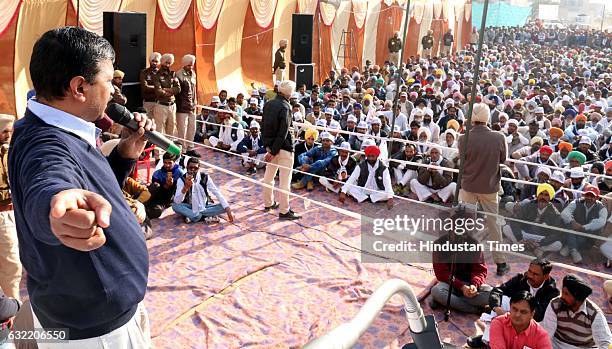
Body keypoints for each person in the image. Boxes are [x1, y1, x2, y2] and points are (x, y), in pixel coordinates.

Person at [9, 27, 151, 346]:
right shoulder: (45, 144)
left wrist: (126, 155)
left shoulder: (53, 125)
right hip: (96, 335)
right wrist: (56, 210)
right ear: (79, 87)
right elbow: (50, 182)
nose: (115, 92)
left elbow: (87, 185)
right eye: (108, 82)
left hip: (97, 318)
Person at [458, 103, 510, 276]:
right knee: (493, 225)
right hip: (489, 187)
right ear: (488, 117)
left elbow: (463, 160)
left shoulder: (462, 138)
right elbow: (503, 159)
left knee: (465, 223)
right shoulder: (498, 137)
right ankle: (500, 262)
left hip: (469, 186)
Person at [467, 258, 559, 348]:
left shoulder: (552, 291)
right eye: (530, 271)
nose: (530, 276)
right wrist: (497, 308)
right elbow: (498, 291)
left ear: (546, 276)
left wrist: (514, 315)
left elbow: (539, 315)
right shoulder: (521, 278)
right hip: (514, 312)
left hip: (533, 321)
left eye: (535, 274)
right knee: (501, 301)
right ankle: (487, 339)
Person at [261, 80, 301, 220]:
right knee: (285, 181)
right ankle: (284, 210)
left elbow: (263, 127)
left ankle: (268, 203)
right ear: (289, 93)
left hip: (271, 146)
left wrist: (269, 148)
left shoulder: (268, 103)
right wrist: (273, 151)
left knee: (268, 177)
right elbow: (283, 133)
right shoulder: (285, 106)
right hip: (284, 148)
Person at [541, 274, 612, 349]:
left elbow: (605, 343)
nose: (562, 296)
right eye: (563, 292)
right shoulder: (555, 304)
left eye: (566, 294)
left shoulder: (594, 314)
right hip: (557, 344)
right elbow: (547, 335)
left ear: (577, 297)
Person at [430, 233, 492, 314]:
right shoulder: (439, 244)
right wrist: (461, 287)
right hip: (450, 285)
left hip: (470, 286)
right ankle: (476, 310)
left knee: (494, 294)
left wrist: (474, 285)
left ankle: (451, 301)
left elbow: (480, 271)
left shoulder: (474, 244)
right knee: (436, 291)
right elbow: (441, 273)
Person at [172, 158, 233, 224]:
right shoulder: (181, 180)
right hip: (189, 207)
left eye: (195, 168)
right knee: (175, 206)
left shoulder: (205, 177)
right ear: (187, 167)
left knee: (224, 206)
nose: (193, 170)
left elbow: (216, 192)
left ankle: (195, 217)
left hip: (204, 207)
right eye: (190, 167)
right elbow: (177, 201)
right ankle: (203, 217)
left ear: (198, 168)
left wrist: (228, 209)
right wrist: (185, 187)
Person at [0, 114, 20, 301]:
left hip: (12, 214)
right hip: (3, 215)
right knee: (11, 263)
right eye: (4, 131)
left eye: (9, 131)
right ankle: (12, 306)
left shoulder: (10, 152)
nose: (8, 135)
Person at [560, 185, 607, 263]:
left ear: (597, 198)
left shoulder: (601, 208)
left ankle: (569, 247)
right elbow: (564, 213)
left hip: (588, 236)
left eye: (592, 196)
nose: (589, 197)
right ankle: (574, 251)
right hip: (574, 231)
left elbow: (601, 222)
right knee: (568, 223)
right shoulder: (576, 201)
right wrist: (573, 222)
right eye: (587, 195)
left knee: (582, 237)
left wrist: (584, 227)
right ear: (584, 195)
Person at [488, 291, 553, 349]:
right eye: (514, 309)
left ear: (532, 314)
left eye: (523, 312)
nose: (517, 315)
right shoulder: (498, 323)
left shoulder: (541, 336)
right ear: (509, 308)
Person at [146, 151, 184, 219]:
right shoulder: (157, 174)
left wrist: (171, 185)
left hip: (165, 200)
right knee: (154, 186)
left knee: (156, 211)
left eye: (170, 163)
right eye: (165, 163)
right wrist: (166, 185)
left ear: (174, 162)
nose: (167, 165)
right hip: (156, 196)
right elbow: (155, 192)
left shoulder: (180, 173)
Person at [153, 53, 180, 138]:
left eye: (169, 63)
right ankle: (158, 151)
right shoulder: (156, 75)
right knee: (159, 130)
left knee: (171, 130)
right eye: (166, 62)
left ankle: (169, 150)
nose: (167, 65)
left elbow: (178, 89)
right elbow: (158, 91)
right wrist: (171, 92)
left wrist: (166, 90)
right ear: (162, 62)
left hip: (172, 105)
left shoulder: (173, 74)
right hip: (161, 105)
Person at [175, 54, 198, 155]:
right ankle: (183, 150)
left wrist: (195, 102)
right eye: (189, 65)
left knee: (192, 128)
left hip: (192, 106)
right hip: (182, 107)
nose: (190, 67)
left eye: (192, 65)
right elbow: (177, 92)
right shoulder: (178, 74)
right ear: (184, 64)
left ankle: (190, 148)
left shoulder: (193, 74)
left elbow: (194, 90)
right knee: (182, 129)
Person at [140, 52, 161, 119]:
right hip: (148, 101)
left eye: (156, 61)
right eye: (153, 61)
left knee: (158, 124)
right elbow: (145, 87)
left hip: (158, 102)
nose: (154, 63)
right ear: (150, 61)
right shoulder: (144, 72)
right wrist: (158, 88)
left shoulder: (161, 73)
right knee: (147, 121)